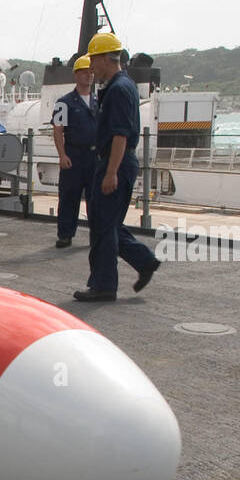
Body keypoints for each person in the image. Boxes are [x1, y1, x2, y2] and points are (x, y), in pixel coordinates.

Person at [74, 32, 161, 302]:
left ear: (103, 58)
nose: (91, 69)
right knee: (105, 222)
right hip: (114, 160)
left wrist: (111, 171)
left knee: (103, 226)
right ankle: (144, 260)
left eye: (93, 63)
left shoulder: (120, 89)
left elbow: (121, 134)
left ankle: (104, 285)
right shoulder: (120, 86)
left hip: (116, 161)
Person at [52, 55, 97, 248]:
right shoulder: (64, 102)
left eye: (91, 72)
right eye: (84, 72)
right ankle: (65, 234)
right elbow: (58, 130)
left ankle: (96, 235)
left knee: (96, 199)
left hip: (95, 156)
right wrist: (62, 155)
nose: (88, 75)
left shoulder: (99, 101)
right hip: (74, 155)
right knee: (69, 195)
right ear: (76, 75)